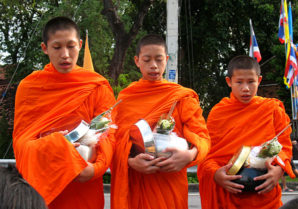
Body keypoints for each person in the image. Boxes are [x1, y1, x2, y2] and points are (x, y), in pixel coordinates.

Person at [13, 16, 116, 209]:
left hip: (84, 186)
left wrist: (95, 169)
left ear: (80, 44)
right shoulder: (30, 87)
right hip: (43, 187)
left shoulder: (96, 85)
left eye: (71, 46)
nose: (65, 54)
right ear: (45, 48)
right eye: (57, 47)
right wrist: (53, 145)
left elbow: (109, 135)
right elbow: (21, 141)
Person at [109, 34, 211, 209]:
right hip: (138, 181)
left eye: (159, 59)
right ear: (137, 61)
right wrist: (130, 161)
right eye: (147, 60)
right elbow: (114, 140)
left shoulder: (181, 97)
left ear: (167, 60)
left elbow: (202, 136)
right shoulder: (126, 98)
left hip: (170, 182)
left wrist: (190, 155)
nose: (153, 66)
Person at [197, 55, 295, 209]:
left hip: (264, 195)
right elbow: (209, 154)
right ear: (229, 82)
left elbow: (284, 147)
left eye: (251, 82)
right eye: (239, 82)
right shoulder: (219, 113)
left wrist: (278, 170)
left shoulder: (272, 110)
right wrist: (216, 175)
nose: (245, 88)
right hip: (229, 194)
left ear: (259, 80)